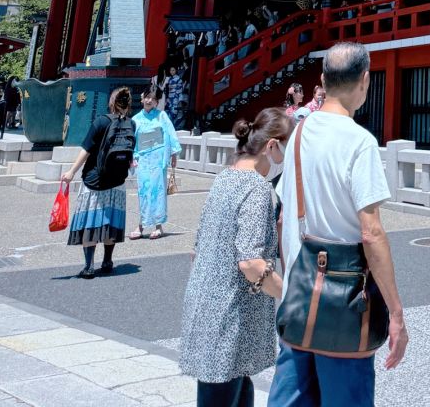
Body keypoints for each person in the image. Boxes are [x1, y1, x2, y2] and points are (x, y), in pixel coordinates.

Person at [268, 42, 408, 406]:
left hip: (299, 296)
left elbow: (284, 215)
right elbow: (371, 232)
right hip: (345, 302)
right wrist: (395, 312)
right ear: (365, 80)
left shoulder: (298, 133)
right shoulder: (360, 142)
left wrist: (291, 281)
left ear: (323, 80)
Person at [180, 107, 293, 406]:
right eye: (286, 148)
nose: (285, 158)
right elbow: (251, 263)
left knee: (237, 392)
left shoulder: (224, 179)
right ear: (271, 146)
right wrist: (292, 295)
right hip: (231, 320)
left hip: (206, 307)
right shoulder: (256, 188)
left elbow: (199, 247)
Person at [61, 85, 136, 279]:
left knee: (90, 222)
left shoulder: (101, 121)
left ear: (111, 102)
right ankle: (108, 261)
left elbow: (86, 149)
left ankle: (88, 266)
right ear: (128, 105)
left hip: (95, 179)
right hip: (117, 180)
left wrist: (71, 172)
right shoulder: (131, 124)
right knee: (110, 220)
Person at [130, 86, 181, 241]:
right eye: (147, 97)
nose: (149, 100)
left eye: (152, 98)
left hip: (158, 158)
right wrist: (132, 157)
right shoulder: (136, 119)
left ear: (157, 102)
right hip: (143, 158)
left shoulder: (162, 116)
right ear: (142, 98)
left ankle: (158, 226)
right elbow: (132, 140)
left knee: (158, 191)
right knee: (143, 191)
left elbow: (171, 134)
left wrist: (173, 153)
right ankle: (141, 224)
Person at [164, 64, 189, 130]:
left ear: (176, 71)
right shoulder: (169, 79)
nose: (172, 72)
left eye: (173, 70)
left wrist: (179, 99)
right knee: (169, 112)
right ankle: (171, 127)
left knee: (174, 112)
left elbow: (179, 90)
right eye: (171, 70)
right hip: (169, 98)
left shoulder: (178, 79)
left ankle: (173, 127)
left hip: (175, 97)